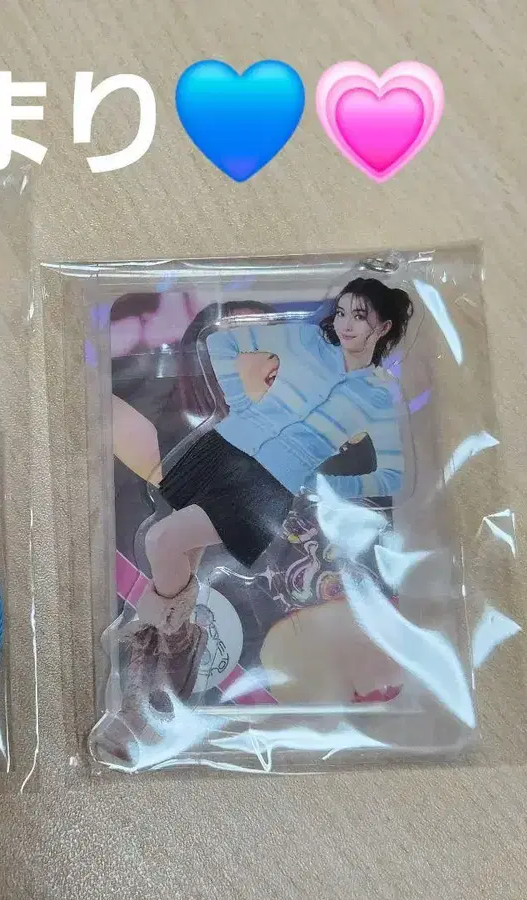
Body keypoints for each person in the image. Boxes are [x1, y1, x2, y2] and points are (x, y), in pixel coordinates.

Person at [102, 277, 413, 746]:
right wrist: (242, 406)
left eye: (360, 316)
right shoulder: (306, 340)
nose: (346, 324)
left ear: (383, 327)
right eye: (342, 312)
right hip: (221, 449)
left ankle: (171, 642)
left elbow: (390, 476)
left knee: (160, 540)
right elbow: (222, 343)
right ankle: (147, 700)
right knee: (180, 556)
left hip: (266, 486)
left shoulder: (377, 396)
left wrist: (322, 484)